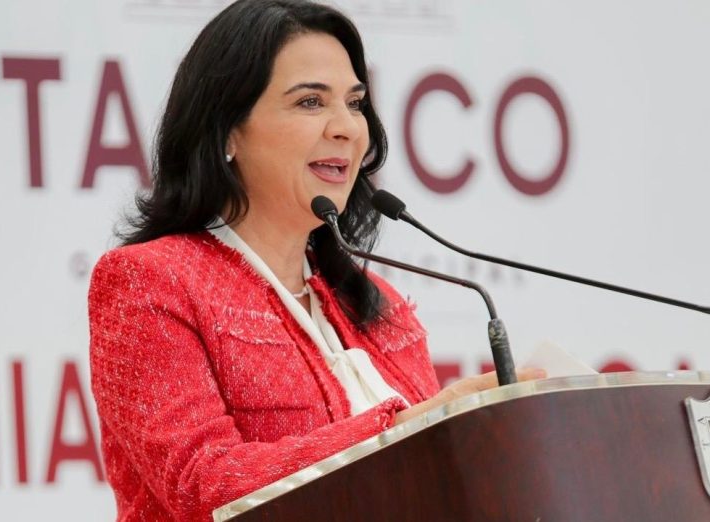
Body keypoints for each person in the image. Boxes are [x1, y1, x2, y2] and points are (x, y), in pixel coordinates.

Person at [88, 1, 544, 520]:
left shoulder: (378, 306)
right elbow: (206, 490)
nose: (347, 127)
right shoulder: (150, 281)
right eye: (310, 102)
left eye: (355, 103)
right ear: (227, 130)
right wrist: (404, 429)